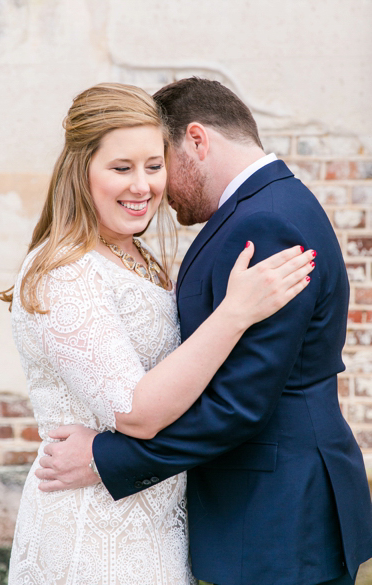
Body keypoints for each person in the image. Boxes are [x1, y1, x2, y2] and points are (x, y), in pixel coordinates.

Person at [38, 78, 372, 585]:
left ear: (196, 140)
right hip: (267, 514)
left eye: (158, 164)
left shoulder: (264, 224)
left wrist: (106, 459)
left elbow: (240, 403)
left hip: (276, 518)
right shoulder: (270, 205)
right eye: (127, 167)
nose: (156, 187)